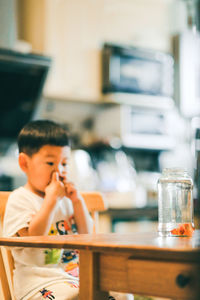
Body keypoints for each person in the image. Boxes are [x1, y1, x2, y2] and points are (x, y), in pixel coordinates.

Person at [3, 119, 133, 300]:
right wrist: (50, 201)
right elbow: (33, 238)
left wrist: (78, 202)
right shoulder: (20, 199)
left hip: (76, 277)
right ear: (25, 163)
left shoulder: (66, 200)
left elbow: (88, 235)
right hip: (39, 284)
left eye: (64, 163)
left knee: (122, 293)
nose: (60, 171)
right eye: (50, 163)